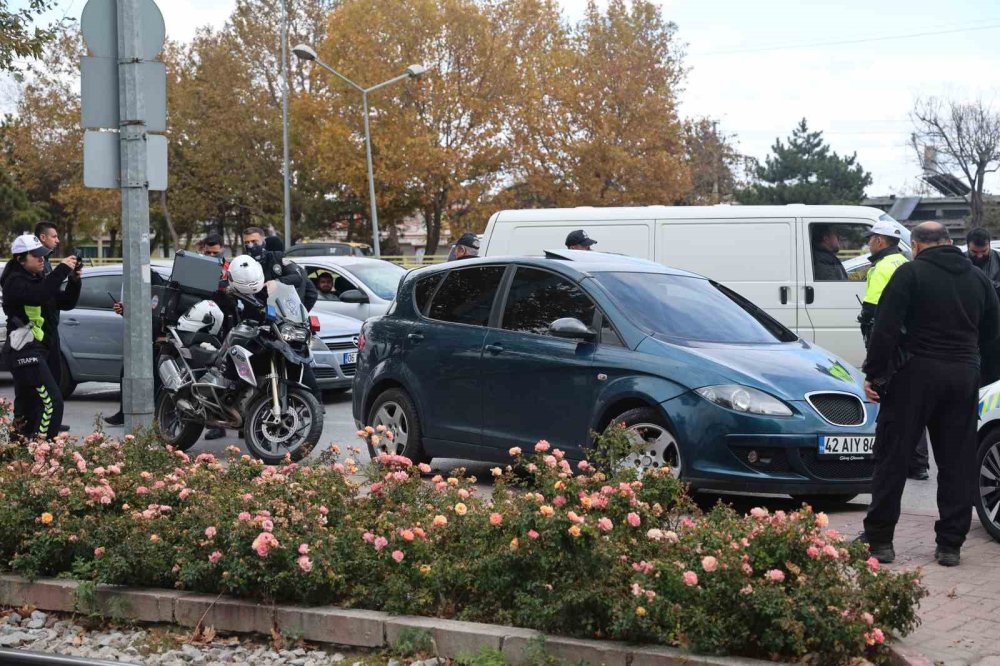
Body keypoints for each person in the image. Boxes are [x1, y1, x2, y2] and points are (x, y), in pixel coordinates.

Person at [858, 221, 1000, 567]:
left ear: (917, 245)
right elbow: (993, 331)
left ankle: (880, 542)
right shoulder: (978, 279)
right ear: (950, 243)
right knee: (955, 461)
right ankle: (950, 544)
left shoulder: (909, 274)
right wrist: (977, 371)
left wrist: (875, 376)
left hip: (914, 375)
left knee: (893, 457)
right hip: (963, 375)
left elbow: (885, 330)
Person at [857, 219, 929, 480]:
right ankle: (918, 462)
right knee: (915, 403)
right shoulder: (905, 263)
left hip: (891, 349)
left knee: (889, 403)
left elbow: (873, 312)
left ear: (880, 241)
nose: (868, 243)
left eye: (870, 239)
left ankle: (886, 460)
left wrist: (873, 360)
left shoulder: (881, 268)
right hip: (914, 347)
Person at [0, 235, 80, 439]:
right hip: (24, 350)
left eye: (43, 255)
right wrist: (62, 270)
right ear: (20, 259)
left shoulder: (37, 279)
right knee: (52, 402)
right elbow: (38, 295)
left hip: (38, 349)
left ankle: (15, 454)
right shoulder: (14, 282)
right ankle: (42, 451)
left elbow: (64, 302)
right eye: (36, 256)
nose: (41, 260)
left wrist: (74, 280)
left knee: (29, 409)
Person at [966, 227, 1000, 385]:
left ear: (990, 246)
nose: (979, 255)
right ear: (967, 247)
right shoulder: (960, 262)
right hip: (969, 326)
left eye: (983, 251)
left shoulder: (998, 260)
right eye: (974, 252)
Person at [263, 235, 317, 311]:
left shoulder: (270, 268)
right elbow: (312, 294)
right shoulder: (297, 268)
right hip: (296, 316)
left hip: (276, 316)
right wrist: (303, 312)